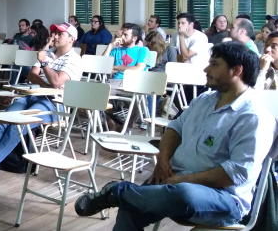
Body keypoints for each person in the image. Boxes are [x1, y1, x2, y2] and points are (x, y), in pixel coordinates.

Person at [75, 41, 277, 231]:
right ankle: (122, 194)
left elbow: (236, 174)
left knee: (182, 194)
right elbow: (175, 129)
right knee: (133, 206)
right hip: (175, 181)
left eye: (214, 65)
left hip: (222, 198)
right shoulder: (205, 100)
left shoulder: (254, 117)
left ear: (237, 70)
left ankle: (117, 192)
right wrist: (162, 161)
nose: (206, 70)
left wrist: (183, 180)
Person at [0, 23, 82, 182]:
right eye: (54, 33)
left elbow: (57, 82)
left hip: (55, 104)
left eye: (60, 34)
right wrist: (46, 83)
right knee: (4, 120)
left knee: (20, 125)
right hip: (34, 94)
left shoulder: (74, 59)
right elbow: (31, 75)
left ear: (71, 39)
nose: (54, 36)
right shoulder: (48, 53)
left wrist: (44, 65)